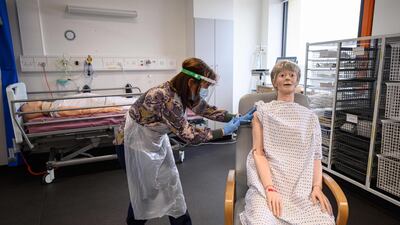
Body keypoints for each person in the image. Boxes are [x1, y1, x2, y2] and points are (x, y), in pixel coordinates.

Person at [115, 57, 255, 225]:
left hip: (153, 140)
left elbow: (205, 109)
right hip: (132, 143)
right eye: (205, 87)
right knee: (146, 191)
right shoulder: (164, 98)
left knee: (170, 185)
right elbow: (190, 136)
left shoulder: (184, 92)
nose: (205, 91)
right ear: (191, 82)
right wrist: (225, 131)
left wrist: (237, 118)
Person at [239, 60, 334, 225]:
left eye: (292, 75)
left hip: (300, 189)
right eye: (282, 75)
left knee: (323, 221)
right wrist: (269, 188)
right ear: (275, 81)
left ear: (297, 80)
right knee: (262, 221)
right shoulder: (262, 112)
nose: (287, 78)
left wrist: (317, 187)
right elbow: (258, 153)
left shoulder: (310, 118)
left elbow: (316, 156)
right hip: (268, 185)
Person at [20, 93, 136, 121]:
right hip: (104, 103)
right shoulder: (57, 110)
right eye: (32, 104)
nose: (36, 101)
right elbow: (83, 110)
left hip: (101, 100)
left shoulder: (55, 106)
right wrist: (109, 109)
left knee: (132, 102)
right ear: (35, 110)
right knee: (132, 105)